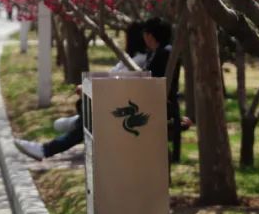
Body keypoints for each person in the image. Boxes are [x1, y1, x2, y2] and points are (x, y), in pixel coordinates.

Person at [13, 22, 156, 161]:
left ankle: (46, 149)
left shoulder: (138, 60)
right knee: (85, 117)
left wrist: (91, 88)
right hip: (112, 101)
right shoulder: (130, 58)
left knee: (86, 123)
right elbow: (113, 76)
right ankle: (73, 125)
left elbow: (118, 83)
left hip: (119, 106)